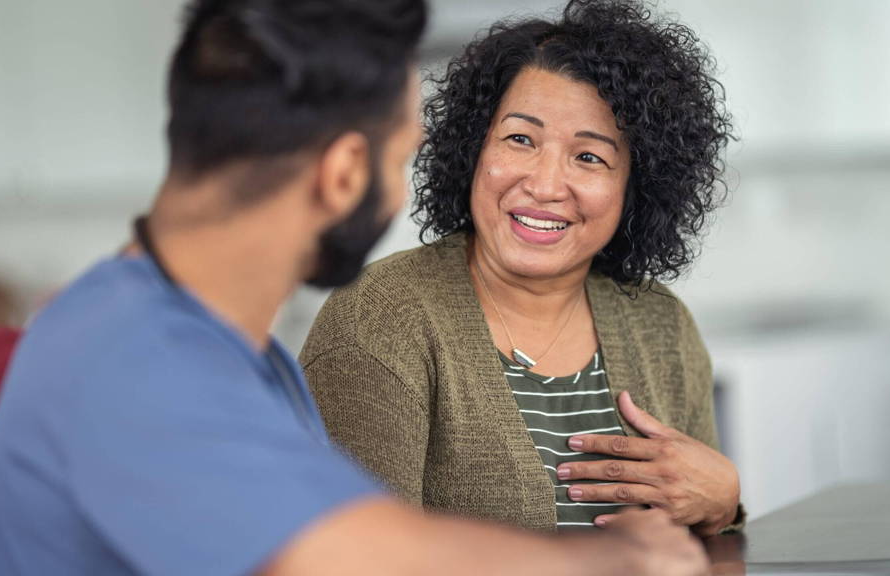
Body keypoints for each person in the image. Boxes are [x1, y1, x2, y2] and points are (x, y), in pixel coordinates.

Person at [0, 1, 709, 575]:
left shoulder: (224, 353)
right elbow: (354, 556)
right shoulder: (130, 360)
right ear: (345, 173)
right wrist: (610, 555)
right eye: (403, 152)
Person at [302, 0, 744, 536]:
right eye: (520, 139)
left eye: (589, 157)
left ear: (636, 187)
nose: (544, 185)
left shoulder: (661, 324)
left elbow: (703, 549)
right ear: (472, 148)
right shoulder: (380, 319)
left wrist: (723, 505)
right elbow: (353, 556)